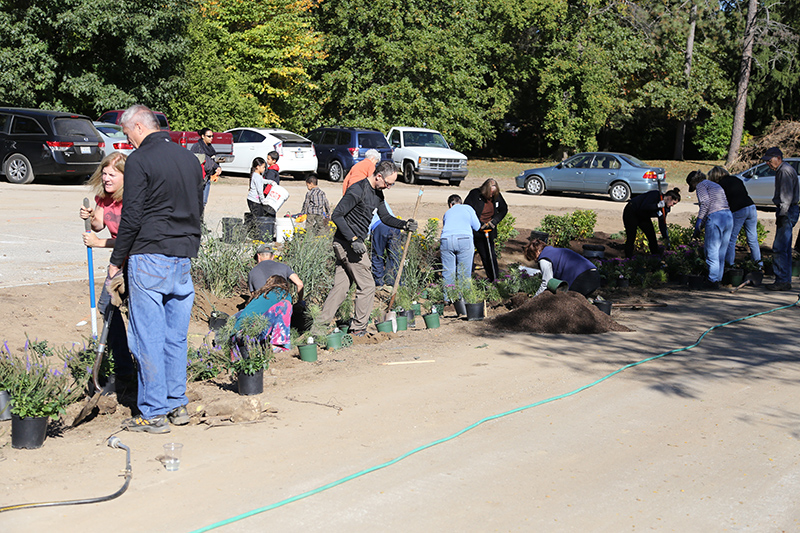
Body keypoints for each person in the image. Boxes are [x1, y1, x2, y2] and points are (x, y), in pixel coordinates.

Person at [111, 104, 204, 434]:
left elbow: (132, 216)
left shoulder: (140, 160)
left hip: (149, 255)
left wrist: (114, 261)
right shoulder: (190, 160)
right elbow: (198, 207)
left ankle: (152, 413)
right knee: (175, 337)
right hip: (182, 257)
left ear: (138, 126)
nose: (129, 142)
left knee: (148, 337)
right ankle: (177, 404)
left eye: (126, 134)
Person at [318, 160, 417, 336]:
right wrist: (354, 239)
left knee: (340, 288)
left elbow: (385, 217)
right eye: (388, 183)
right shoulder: (357, 190)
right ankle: (358, 329)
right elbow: (337, 215)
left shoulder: (377, 195)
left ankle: (317, 328)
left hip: (350, 244)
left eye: (392, 184)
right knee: (368, 285)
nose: (388, 187)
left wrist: (404, 224)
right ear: (378, 176)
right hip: (347, 244)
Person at [78, 152, 135, 384]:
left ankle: (134, 366)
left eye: (112, 174)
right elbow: (99, 225)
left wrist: (98, 243)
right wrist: (90, 216)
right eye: (104, 174)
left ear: (124, 176)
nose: (106, 179)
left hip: (136, 263)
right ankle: (124, 368)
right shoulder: (104, 197)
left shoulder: (131, 199)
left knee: (135, 312)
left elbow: (130, 238)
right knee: (107, 306)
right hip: (118, 264)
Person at [706, 166, 762, 269]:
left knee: (731, 238)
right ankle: (758, 264)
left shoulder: (721, 185)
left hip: (738, 210)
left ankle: (729, 264)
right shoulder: (736, 179)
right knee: (753, 239)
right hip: (751, 206)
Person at [687, 170, 733, 288]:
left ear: (693, 182)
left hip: (716, 217)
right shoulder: (714, 184)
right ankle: (718, 278)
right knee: (722, 251)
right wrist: (701, 225)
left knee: (712, 250)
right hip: (728, 216)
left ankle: (712, 280)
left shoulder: (701, 185)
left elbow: (705, 203)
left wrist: (698, 222)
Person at [762, 147, 799, 290]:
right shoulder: (785, 169)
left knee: (779, 247)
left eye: (769, 161)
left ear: (778, 158)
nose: (768, 164)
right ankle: (785, 279)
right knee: (785, 248)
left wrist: (782, 214)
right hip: (790, 210)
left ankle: (782, 280)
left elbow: (786, 197)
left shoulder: (784, 171)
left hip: (787, 211)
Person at [233, 275, 293, 353]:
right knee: (286, 304)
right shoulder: (283, 293)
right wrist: (286, 345)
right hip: (249, 334)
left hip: (237, 337)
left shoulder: (259, 295)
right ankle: (277, 345)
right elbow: (285, 318)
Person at [464, 178, 508, 281]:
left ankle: (494, 278)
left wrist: (494, 221)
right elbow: (467, 210)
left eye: (494, 194)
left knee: (490, 255)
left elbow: (503, 209)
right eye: (490, 194)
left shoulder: (496, 196)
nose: (492, 196)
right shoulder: (475, 194)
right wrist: (479, 224)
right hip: (476, 230)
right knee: (473, 254)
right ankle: (466, 278)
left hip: (489, 229)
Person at [525, 239, 601, 297]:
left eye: (532, 257)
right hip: (595, 275)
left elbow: (546, 282)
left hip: (582, 278)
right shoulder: (554, 251)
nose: (535, 260)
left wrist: (534, 299)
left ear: (536, 252)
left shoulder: (544, 260)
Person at [622, 188, 681, 258]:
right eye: (673, 203)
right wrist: (657, 206)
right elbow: (643, 207)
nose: (672, 205)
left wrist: (666, 237)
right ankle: (628, 258)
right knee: (631, 236)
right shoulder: (655, 195)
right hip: (632, 211)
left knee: (651, 236)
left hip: (643, 216)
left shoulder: (666, 208)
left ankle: (655, 257)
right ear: (669, 198)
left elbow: (662, 223)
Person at [440, 194, 480, 292]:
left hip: (446, 240)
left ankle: (448, 299)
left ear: (450, 204)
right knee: (463, 272)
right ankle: (463, 299)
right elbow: (477, 226)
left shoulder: (447, 213)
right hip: (464, 239)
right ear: (461, 202)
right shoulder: (468, 208)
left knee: (448, 272)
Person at [369, 205, 402, 289]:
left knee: (377, 255)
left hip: (379, 226)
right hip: (394, 226)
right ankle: (398, 283)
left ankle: (379, 283)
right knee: (395, 257)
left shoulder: (364, 200)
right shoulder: (380, 200)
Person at [191, 127, 222, 207]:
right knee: (196, 202)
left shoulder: (210, 148)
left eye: (212, 136)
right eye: (209, 136)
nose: (211, 138)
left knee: (204, 202)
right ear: (202, 136)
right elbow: (192, 163)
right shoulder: (196, 147)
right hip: (197, 179)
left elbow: (212, 161)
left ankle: (201, 219)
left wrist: (217, 167)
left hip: (207, 178)